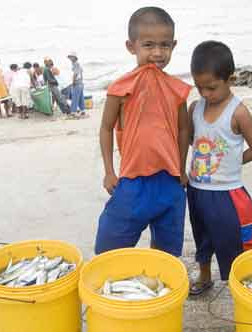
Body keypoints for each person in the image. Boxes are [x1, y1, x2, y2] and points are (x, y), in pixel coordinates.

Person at [95, 7, 192, 257]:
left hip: (169, 181)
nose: (157, 53)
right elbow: (106, 128)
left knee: (166, 252)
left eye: (165, 45)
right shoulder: (120, 88)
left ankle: (157, 290)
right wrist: (109, 172)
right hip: (133, 180)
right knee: (109, 246)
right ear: (131, 46)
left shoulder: (177, 89)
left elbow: (183, 129)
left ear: (174, 45)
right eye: (148, 45)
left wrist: (181, 169)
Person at [186, 41, 252, 295]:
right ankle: (205, 276)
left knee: (233, 242)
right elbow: (191, 142)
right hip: (197, 190)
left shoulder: (238, 112)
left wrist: (232, 162)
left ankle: (240, 286)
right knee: (203, 236)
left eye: (212, 87)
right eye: (199, 87)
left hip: (228, 194)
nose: (205, 94)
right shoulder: (195, 108)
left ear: (230, 79)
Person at [67, 51, 86, 117]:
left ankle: (73, 112)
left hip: (77, 83)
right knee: (80, 97)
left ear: (74, 57)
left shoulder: (75, 64)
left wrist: (73, 82)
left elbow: (75, 74)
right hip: (80, 83)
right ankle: (83, 110)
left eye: (71, 57)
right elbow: (80, 74)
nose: (70, 58)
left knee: (75, 97)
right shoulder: (77, 64)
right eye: (70, 57)